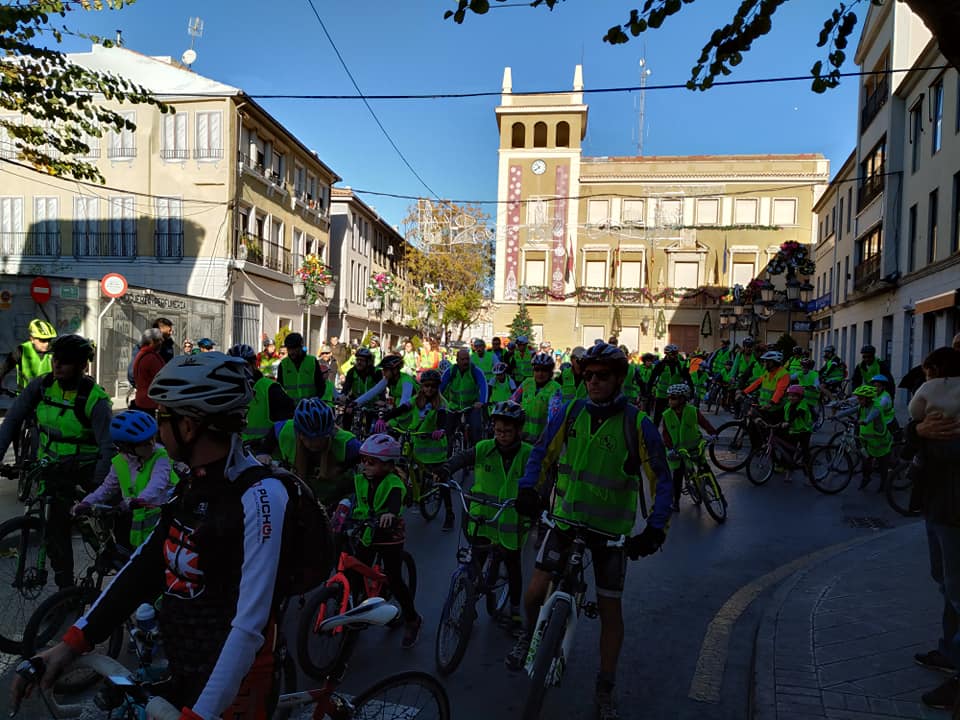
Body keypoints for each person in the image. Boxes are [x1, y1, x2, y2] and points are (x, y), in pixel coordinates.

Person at [10, 351, 307, 719]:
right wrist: (71, 644)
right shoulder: (193, 485)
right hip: (186, 669)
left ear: (189, 426)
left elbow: (249, 625)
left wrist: (201, 713)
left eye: (162, 416)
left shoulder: (261, 496)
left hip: (234, 690)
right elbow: (143, 568)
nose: (156, 426)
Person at [508, 342, 673, 720]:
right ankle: (529, 637)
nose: (593, 382)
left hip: (610, 534)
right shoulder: (571, 410)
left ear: (618, 380)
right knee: (533, 594)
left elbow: (662, 479)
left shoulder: (637, 424)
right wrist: (528, 489)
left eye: (602, 376)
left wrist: (655, 529)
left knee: (611, 612)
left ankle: (605, 685)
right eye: (588, 375)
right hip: (565, 521)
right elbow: (542, 453)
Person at [0, 335, 113, 589]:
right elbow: (12, 421)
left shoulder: (95, 400)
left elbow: (108, 447)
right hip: (50, 469)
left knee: (98, 526)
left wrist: (98, 488)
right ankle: (67, 594)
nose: (57, 365)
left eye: (66, 362)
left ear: (83, 365)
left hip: (85, 471)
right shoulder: (42, 386)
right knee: (55, 536)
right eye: (55, 359)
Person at [441, 400, 532, 629]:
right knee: (475, 564)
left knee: (512, 565)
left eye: (508, 431)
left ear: (519, 431)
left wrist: (535, 499)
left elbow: (541, 478)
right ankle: (467, 606)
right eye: (498, 430)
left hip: (510, 521)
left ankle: (513, 609)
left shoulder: (528, 455)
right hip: (482, 519)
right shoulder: (484, 447)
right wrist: (446, 468)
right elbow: (462, 458)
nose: (502, 435)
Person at [904, 347, 960, 709]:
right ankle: (949, 651)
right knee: (946, 584)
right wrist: (920, 431)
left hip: (955, 508)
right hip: (938, 504)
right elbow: (912, 438)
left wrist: (924, 433)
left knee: (958, 590)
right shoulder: (938, 391)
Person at [350, 433, 422, 648]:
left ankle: (412, 619)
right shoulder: (360, 479)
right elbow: (350, 496)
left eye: (371, 462)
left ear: (388, 466)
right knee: (357, 569)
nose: (365, 466)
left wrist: (389, 514)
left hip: (389, 533)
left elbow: (394, 502)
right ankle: (357, 606)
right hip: (367, 531)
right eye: (363, 460)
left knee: (394, 578)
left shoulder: (393, 483)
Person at [73, 410, 180, 549]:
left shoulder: (161, 456)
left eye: (153, 438)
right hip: (139, 531)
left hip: (165, 528)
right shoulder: (119, 462)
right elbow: (107, 488)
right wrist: (87, 502)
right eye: (145, 443)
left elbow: (158, 482)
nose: (152, 444)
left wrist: (141, 499)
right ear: (126, 446)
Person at [257, 397, 359, 505]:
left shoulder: (348, 444)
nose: (313, 444)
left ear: (330, 434)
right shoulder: (286, 430)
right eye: (307, 438)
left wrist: (341, 468)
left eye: (319, 439)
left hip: (333, 501)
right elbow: (274, 431)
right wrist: (264, 452)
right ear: (298, 433)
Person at [405, 369, 454, 529]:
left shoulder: (442, 403)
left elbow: (443, 419)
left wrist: (440, 430)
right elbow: (402, 409)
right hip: (418, 445)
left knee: (442, 480)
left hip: (435, 451)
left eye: (433, 387)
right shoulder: (416, 399)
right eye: (426, 386)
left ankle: (449, 513)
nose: (429, 389)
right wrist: (385, 419)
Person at [660, 384, 717, 512]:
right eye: (669, 398)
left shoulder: (692, 410)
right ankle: (676, 501)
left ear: (682, 399)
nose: (670, 401)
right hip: (678, 452)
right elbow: (666, 434)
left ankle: (718, 493)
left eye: (673, 398)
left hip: (695, 447)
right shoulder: (667, 415)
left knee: (705, 468)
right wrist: (670, 449)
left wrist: (713, 433)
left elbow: (704, 423)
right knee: (678, 476)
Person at [227, 344, 294, 443]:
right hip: (237, 452)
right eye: (234, 367)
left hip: (266, 455)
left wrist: (266, 446)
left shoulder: (270, 389)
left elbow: (287, 425)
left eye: (244, 366)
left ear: (254, 364)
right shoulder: (228, 391)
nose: (239, 371)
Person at [842, 385, 892, 491]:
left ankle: (884, 483)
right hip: (868, 441)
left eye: (861, 398)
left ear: (868, 398)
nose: (858, 401)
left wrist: (863, 421)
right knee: (865, 461)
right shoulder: (862, 406)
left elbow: (870, 417)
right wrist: (836, 416)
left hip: (880, 442)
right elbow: (851, 410)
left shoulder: (876, 408)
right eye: (858, 398)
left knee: (883, 465)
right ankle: (866, 478)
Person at [353, 355, 418, 433]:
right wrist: (354, 403)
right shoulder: (389, 379)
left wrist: (385, 418)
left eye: (386, 370)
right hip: (399, 417)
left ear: (395, 370)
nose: (383, 372)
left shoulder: (406, 381)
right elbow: (372, 392)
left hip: (412, 418)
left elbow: (403, 406)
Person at [439, 347, 488, 449]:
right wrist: (439, 402)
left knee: (476, 429)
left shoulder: (475, 371)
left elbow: (484, 386)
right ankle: (447, 453)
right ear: (457, 360)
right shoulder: (450, 371)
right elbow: (440, 388)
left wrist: (482, 402)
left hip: (471, 406)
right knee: (447, 430)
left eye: (467, 359)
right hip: (454, 407)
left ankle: (475, 453)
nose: (466, 362)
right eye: (463, 359)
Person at [511, 352, 561, 443]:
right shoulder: (527, 382)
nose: (540, 373)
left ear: (550, 372)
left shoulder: (555, 388)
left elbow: (553, 415)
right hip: (522, 437)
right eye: (537, 370)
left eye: (544, 370)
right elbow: (512, 401)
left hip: (541, 440)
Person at [0, 318, 56, 390]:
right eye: (43, 340)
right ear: (32, 339)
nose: (47, 344)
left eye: (49, 340)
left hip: (49, 396)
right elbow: (3, 369)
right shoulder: (22, 350)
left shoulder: (55, 351)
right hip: (25, 396)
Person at [646, 344, 693, 426]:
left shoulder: (681, 365)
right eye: (673, 354)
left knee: (676, 418)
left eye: (676, 353)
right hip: (662, 395)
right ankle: (654, 436)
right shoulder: (660, 365)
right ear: (667, 354)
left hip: (676, 396)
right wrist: (648, 391)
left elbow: (688, 378)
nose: (675, 356)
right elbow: (652, 379)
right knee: (657, 418)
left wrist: (692, 390)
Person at [742, 350, 791, 424]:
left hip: (776, 408)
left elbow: (780, 391)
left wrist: (771, 403)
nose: (764, 363)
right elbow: (757, 383)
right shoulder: (767, 372)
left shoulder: (784, 374)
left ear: (774, 362)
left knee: (770, 431)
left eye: (767, 361)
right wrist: (744, 392)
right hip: (764, 406)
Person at [779, 385, 815, 482]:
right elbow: (783, 415)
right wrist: (780, 423)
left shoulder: (803, 405)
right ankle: (788, 472)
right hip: (793, 431)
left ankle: (809, 474)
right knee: (789, 451)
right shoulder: (787, 404)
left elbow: (797, 414)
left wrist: (788, 423)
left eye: (794, 396)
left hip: (804, 431)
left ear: (800, 397)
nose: (791, 398)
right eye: (790, 395)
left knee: (805, 452)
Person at [276, 332, 326, 401]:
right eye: (289, 349)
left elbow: (321, 385)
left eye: (294, 348)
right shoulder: (283, 364)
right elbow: (280, 388)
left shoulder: (312, 361)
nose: (291, 352)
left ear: (300, 347)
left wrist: (315, 400)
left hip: (309, 408)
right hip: (291, 408)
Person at [131, 329, 165, 416]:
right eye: (159, 340)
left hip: (140, 400)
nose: (162, 342)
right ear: (151, 341)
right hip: (151, 402)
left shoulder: (140, 354)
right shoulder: (152, 357)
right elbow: (161, 380)